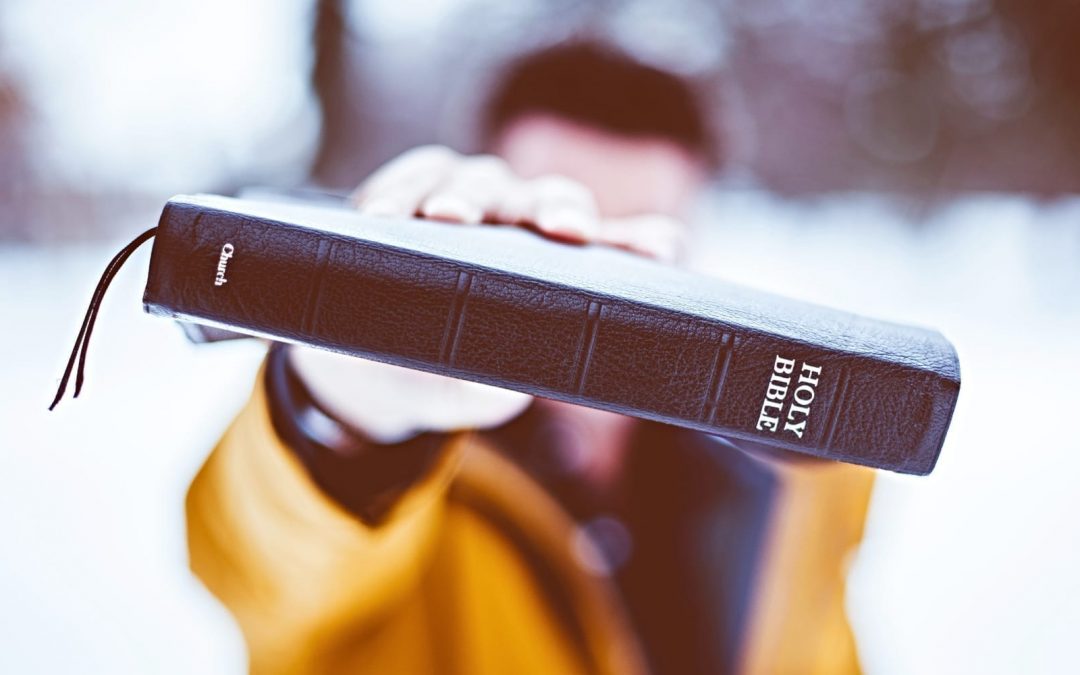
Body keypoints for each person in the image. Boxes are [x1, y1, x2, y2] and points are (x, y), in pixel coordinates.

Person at [186, 43, 875, 675]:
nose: (607, 300)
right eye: (559, 244)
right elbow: (260, 564)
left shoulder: (793, 480)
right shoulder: (399, 477)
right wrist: (344, 414)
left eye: (640, 251)